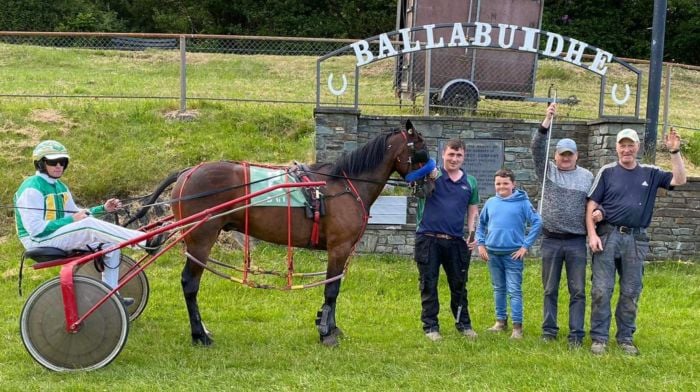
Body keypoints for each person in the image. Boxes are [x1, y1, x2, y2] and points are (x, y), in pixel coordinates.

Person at [14, 140, 164, 305]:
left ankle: (110, 296)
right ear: (40, 163)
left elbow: (77, 214)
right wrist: (71, 219)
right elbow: (36, 230)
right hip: (37, 240)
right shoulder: (31, 188)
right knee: (89, 226)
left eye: (63, 162)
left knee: (110, 244)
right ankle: (144, 241)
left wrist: (103, 208)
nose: (59, 166)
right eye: (52, 162)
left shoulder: (60, 186)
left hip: (54, 235)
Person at [586, 128, 687, 355]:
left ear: (637, 147)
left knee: (631, 290)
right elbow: (591, 205)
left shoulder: (650, 173)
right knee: (601, 289)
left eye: (630, 145)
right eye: (622, 145)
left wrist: (675, 151)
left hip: (636, 239)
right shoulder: (607, 172)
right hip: (607, 236)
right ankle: (599, 339)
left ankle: (625, 338)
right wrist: (592, 234)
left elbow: (680, 180)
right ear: (616, 148)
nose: (626, 150)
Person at [531, 103, 601, 348]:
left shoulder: (588, 177)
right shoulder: (547, 171)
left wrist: (599, 213)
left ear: (576, 156)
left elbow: (596, 202)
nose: (565, 158)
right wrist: (546, 119)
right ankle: (549, 330)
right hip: (550, 239)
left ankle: (576, 335)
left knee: (578, 291)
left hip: (575, 242)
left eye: (569, 155)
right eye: (562, 154)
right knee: (550, 289)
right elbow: (536, 147)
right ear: (555, 155)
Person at [414, 139, 479, 342]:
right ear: (443, 154)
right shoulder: (431, 174)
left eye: (458, 155)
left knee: (459, 284)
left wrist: (472, 234)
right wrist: (427, 174)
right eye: (451, 154)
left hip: (455, 241)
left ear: (464, 157)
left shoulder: (470, 182)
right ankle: (431, 327)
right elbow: (413, 181)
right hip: (428, 239)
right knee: (428, 284)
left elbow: (473, 208)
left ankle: (464, 324)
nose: (454, 158)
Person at [476, 168, 542, 339]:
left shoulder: (523, 203)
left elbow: (537, 222)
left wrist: (525, 246)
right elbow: (481, 225)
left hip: (513, 254)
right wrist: (481, 244)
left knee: (514, 290)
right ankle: (500, 321)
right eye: (498, 183)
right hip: (492, 254)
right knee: (498, 288)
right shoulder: (490, 203)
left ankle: (517, 327)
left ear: (513, 184)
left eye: (505, 183)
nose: (501, 186)